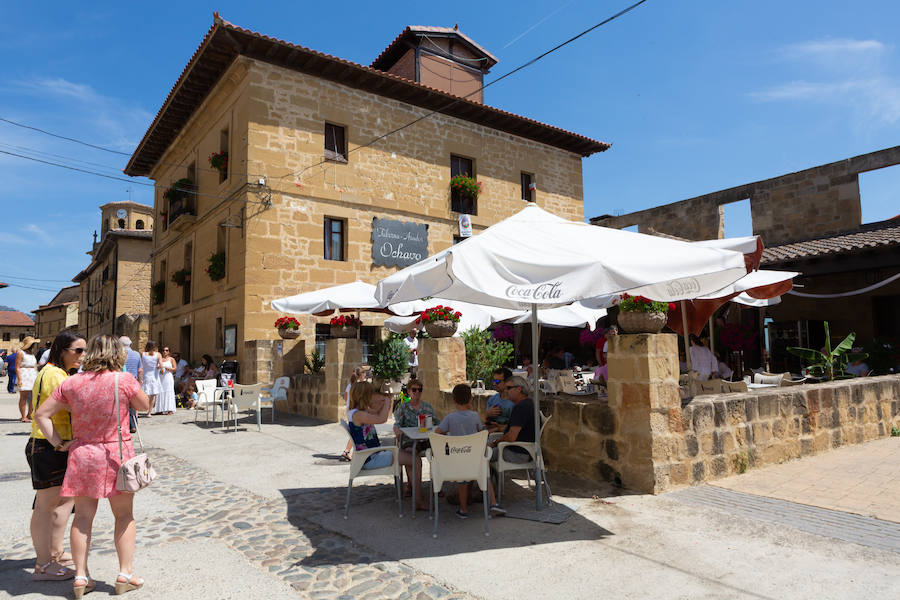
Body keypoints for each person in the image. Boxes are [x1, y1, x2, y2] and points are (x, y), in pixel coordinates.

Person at [34, 334, 150, 598]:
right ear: (117, 354)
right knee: (123, 516)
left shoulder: (73, 382)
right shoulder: (123, 380)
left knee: (83, 518)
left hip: (83, 454)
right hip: (116, 454)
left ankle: (81, 576)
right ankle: (125, 573)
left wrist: (58, 442)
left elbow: (41, 414)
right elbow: (144, 405)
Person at [27, 330, 86, 582]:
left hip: (51, 445)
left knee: (61, 504)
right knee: (45, 507)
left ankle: (54, 553)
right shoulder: (55, 375)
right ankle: (43, 563)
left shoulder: (54, 372)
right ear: (63, 350)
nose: (82, 356)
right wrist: (59, 442)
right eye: (78, 351)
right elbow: (45, 412)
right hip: (49, 446)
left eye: (85, 351)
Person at [435, 383, 505, 518]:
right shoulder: (474, 416)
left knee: (463, 481)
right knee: (485, 475)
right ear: (470, 399)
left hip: (457, 460)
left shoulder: (450, 418)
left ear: (454, 400)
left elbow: (437, 434)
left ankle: (463, 510)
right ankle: (494, 504)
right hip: (474, 459)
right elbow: (481, 433)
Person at [391, 378, 433, 508]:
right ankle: (416, 491)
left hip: (426, 439)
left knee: (440, 451)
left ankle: (437, 486)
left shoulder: (426, 407)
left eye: (419, 390)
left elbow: (437, 422)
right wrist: (397, 431)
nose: (417, 392)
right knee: (410, 453)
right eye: (414, 390)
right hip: (409, 440)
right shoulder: (403, 407)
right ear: (409, 391)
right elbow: (397, 424)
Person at [488, 375, 536, 465]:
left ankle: (482, 478)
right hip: (524, 450)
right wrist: (501, 428)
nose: (506, 391)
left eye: (509, 388)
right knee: (485, 449)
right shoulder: (528, 403)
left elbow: (511, 437)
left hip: (518, 453)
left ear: (519, 389)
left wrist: (494, 443)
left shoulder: (521, 407)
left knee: (481, 454)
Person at [347, 381, 394, 471]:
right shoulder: (359, 415)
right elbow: (382, 419)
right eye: (372, 393)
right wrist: (388, 401)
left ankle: (410, 485)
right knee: (413, 458)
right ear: (365, 396)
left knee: (408, 455)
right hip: (370, 459)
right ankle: (413, 485)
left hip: (370, 455)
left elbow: (376, 412)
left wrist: (382, 403)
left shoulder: (359, 411)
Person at [340, 367, 364, 462]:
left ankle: (347, 451)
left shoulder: (350, 385)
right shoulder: (358, 386)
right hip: (356, 413)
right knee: (357, 433)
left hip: (350, 412)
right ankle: (349, 452)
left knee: (355, 433)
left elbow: (346, 398)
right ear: (361, 375)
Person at [120, 337, 143, 434]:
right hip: (133, 381)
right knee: (132, 404)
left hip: (121, 381)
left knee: (122, 404)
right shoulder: (136, 354)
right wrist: (140, 381)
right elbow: (140, 370)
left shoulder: (119, 355)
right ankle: (133, 425)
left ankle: (125, 425)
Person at [16, 336, 40, 422]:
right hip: (24, 375)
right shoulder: (20, 353)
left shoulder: (31, 353)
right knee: (24, 396)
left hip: (33, 374)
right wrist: (19, 379)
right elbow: (17, 367)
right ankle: (23, 416)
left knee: (33, 396)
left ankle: (30, 414)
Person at [484, 368, 514, 432]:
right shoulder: (492, 399)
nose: (494, 384)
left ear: (507, 382)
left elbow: (514, 427)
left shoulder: (514, 401)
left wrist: (498, 428)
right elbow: (486, 422)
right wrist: (487, 414)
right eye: (493, 381)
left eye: (497, 381)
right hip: (490, 434)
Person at [140, 341, 162, 417]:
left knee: (143, 393)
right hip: (154, 376)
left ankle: (141, 408)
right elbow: (161, 366)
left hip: (145, 375)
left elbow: (141, 365)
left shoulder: (142, 354)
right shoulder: (158, 355)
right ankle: (149, 412)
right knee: (153, 395)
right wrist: (158, 367)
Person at [155, 346, 177, 415]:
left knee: (168, 391)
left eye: (167, 350)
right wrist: (158, 368)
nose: (165, 352)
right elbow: (155, 367)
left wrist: (168, 368)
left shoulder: (171, 359)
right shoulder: (159, 359)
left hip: (168, 376)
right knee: (160, 391)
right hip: (161, 376)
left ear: (169, 352)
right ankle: (160, 409)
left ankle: (170, 409)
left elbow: (175, 369)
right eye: (164, 350)